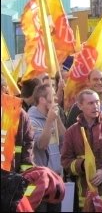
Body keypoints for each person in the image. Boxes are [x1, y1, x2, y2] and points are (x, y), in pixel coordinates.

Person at [28, 84, 66, 212]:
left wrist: (57, 118)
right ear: (42, 99)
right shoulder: (31, 120)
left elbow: (64, 139)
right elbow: (42, 145)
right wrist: (49, 121)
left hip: (56, 179)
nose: (56, 98)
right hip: (41, 182)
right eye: (53, 95)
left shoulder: (53, 116)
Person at [1, 76, 34, 173]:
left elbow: (27, 143)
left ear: (4, 90)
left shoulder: (19, 114)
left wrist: (24, 174)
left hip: (12, 175)